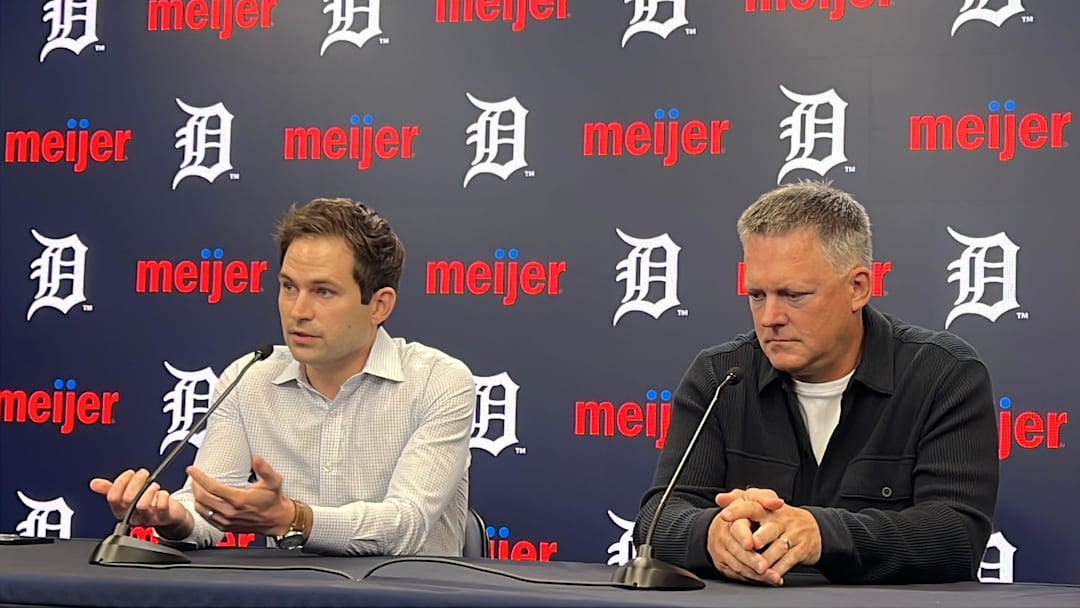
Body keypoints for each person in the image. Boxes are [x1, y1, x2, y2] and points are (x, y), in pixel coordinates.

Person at [633, 181, 998, 585]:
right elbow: (656, 522)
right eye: (757, 295)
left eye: (794, 295)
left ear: (858, 288)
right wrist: (713, 535)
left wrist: (822, 534)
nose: (770, 317)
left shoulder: (942, 374)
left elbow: (955, 535)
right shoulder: (721, 377)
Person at [90, 198, 476, 556]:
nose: (298, 311)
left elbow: (406, 525)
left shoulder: (438, 383)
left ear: (379, 305)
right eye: (289, 287)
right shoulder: (248, 379)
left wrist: (295, 519)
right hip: (291, 594)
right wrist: (174, 518)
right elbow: (208, 507)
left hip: (410, 594)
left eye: (323, 292)